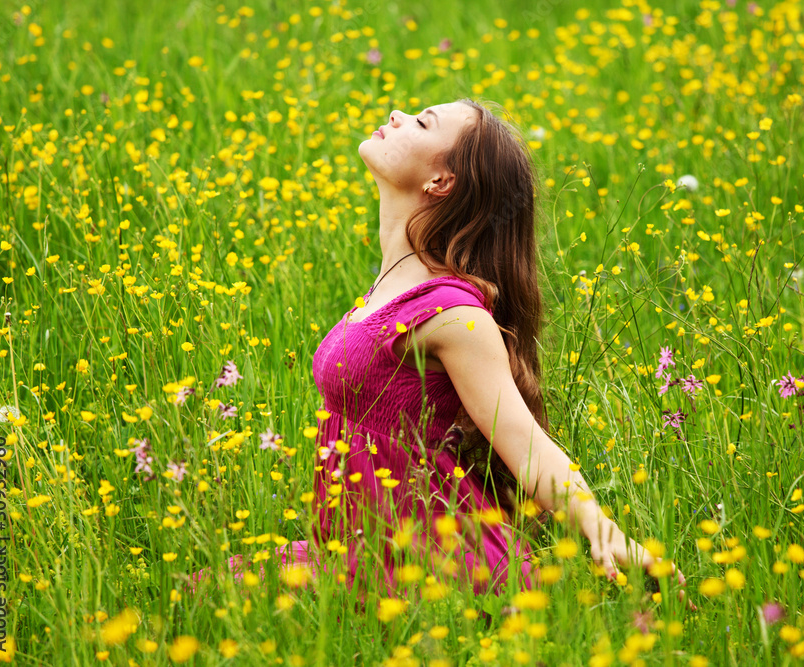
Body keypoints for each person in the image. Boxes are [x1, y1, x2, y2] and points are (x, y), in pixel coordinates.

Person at [188, 98, 687, 604]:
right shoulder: (392, 285)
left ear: (441, 182)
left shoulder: (451, 311)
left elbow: (527, 445)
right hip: (363, 550)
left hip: (430, 567)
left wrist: (606, 534)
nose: (397, 117)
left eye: (422, 122)